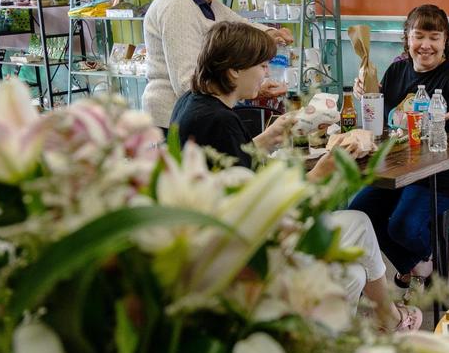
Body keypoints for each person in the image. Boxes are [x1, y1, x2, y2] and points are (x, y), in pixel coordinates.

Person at [172, 21, 421, 332]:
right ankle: (390, 319)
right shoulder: (219, 120)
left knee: (355, 275)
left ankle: (321, 347)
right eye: (262, 65)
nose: (266, 73)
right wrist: (321, 171)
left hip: (216, 247)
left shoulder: (192, 104)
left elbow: (231, 164)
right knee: (359, 223)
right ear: (234, 71)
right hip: (249, 254)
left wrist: (269, 136)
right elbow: (261, 211)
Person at [350, 4, 449, 288]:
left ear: (445, 42)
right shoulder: (396, 70)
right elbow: (383, 117)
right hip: (399, 169)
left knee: (401, 226)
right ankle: (417, 263)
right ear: (407, 38)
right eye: (418, 36)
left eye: (434, 37)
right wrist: (365, 93)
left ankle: (422, 259)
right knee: (357, 213)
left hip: (442, 176)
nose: (425, 45)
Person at [143, 0, 294, 131]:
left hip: (192, 117)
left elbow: (239, 24)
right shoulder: (176, 6)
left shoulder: (205, 2)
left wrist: (270, 33)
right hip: (170, 121)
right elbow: (187, 82)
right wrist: (242, 90)